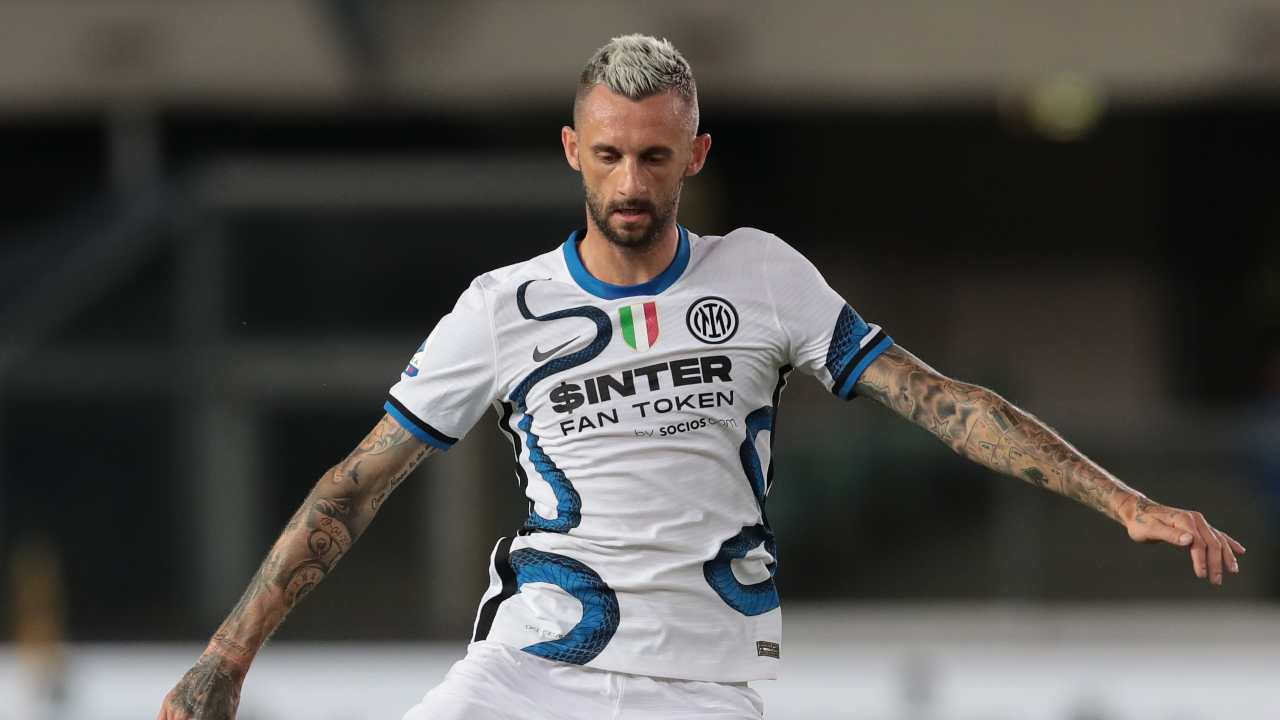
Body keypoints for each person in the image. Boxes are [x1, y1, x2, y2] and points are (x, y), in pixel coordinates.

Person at [157, 34, 1245, 720]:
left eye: (655, 156)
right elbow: (356, 485)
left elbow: (944, 402)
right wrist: (226, 658)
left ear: (697, 154)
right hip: (532, 669)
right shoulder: (502, 307)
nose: (631, 181)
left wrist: (1124, 502)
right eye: (609, 155)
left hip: (704, 684)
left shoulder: (761, 275)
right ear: (572, 151)